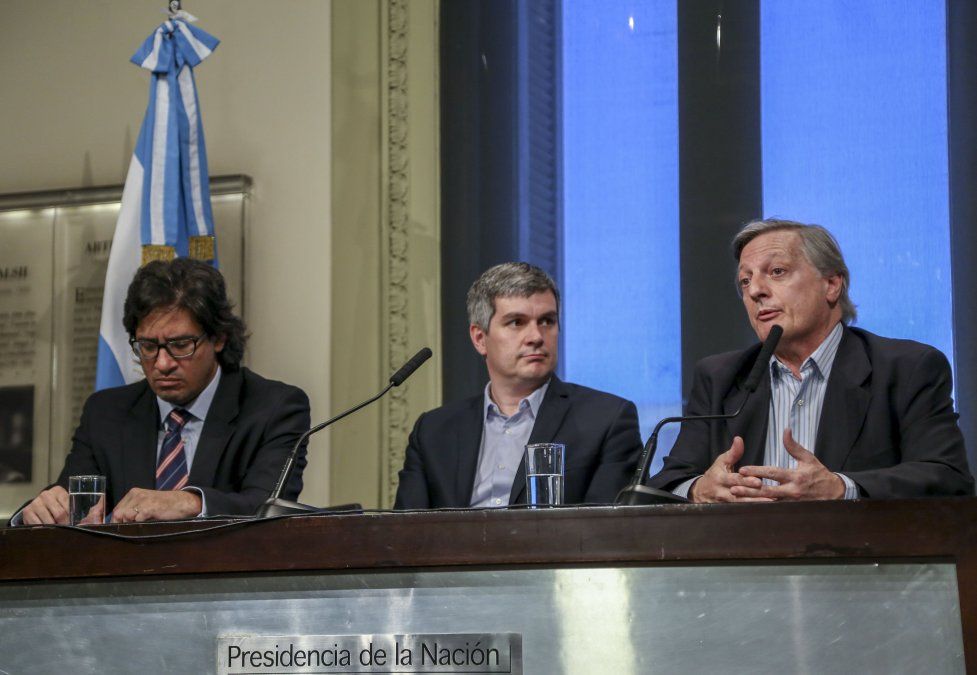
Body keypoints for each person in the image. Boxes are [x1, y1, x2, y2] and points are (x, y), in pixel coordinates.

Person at [649, 218, 973, 502]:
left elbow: (947, 477)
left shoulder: (907, 368)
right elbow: (665, 484)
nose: (755, 290)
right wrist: (699, 489)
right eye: (745, 281)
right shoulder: (719, 377)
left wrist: (841, 488)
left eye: (777, 272)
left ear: (831, 284)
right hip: (746, 552)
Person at [13, 258, 309, 525]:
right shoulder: (105, 413)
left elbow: (269, 510)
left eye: (181, 345)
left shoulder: (273, 408)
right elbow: (69, 501)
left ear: (218, 338)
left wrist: (191, 503)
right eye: (148, 346)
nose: (162, 364)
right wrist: (38, 512)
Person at [395, 262, 642, 508]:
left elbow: (606, 528)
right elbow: (404, 528)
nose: (536, 337)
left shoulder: (606, 420)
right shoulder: (433, 431)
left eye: (547, 321)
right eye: (516, 322)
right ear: (480, 338)